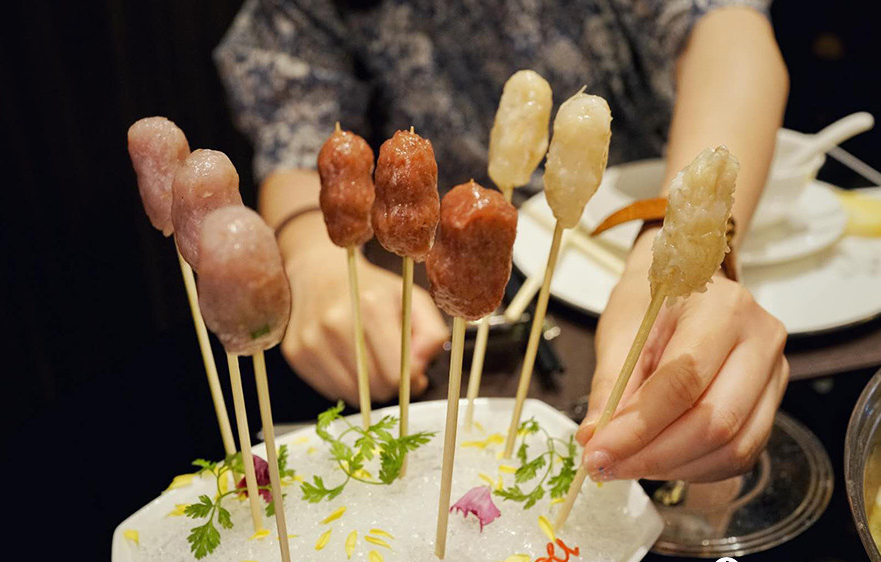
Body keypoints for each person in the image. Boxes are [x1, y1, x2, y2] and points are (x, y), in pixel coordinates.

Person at [214, 0, 789, 483]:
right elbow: (295, 119)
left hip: (621, 270)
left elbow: (725, 30)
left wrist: (691, 238)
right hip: (431, 308)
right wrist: (314, 255)